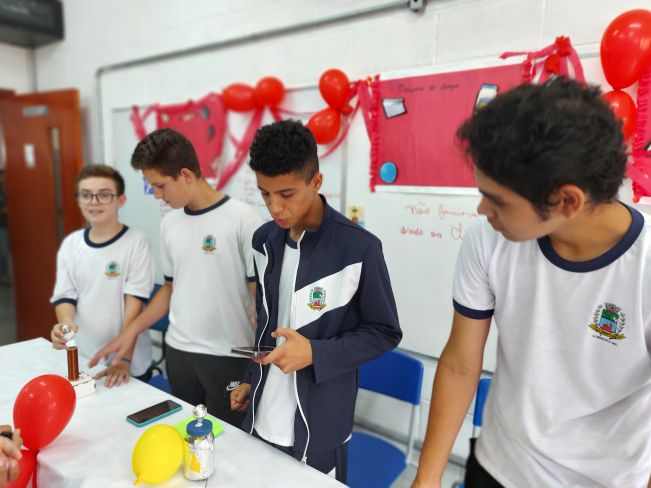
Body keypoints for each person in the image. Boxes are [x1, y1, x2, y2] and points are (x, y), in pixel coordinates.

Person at [413, 78, 651, 488]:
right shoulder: (488, 239)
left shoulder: (643, 268)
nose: (482, 210)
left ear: (567, 201)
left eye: (498, 200)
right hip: (498, 464)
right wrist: (426, 479)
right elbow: (460, 364)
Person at [229, 120, 402, 483]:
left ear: (316, 182)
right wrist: (250, 379)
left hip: (320, 428)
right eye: (265, 194)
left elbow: (385, 332)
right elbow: (265, 322)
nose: (275, 207)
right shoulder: (263, 241)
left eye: (286, 194)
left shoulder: (359, 249)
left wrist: (315, 353)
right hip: (260, 418)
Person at [90, 128, 262, 426]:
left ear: (185, 175)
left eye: (160, 186)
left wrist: (257, 367)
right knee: (186, 433)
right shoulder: (170, 223)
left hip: (230, 355)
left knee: (230, 444)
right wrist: (129, 332)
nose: (157, 195)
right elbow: (170, 288)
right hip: (179, 352)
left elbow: (258, 299)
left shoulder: (243, 219)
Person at [50, 164, 154, 387]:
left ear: (121, 200)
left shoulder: (137, 242)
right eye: (86, 195)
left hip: (128, 363)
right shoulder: (71, 244)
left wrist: (123, 359)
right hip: (85, 357)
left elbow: (134, 306)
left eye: (104, 195)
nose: (94, 202)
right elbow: (65, 296)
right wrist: (65, 326)